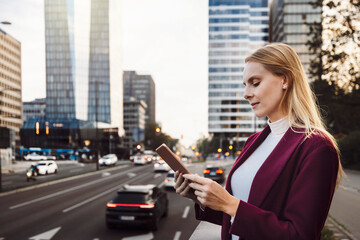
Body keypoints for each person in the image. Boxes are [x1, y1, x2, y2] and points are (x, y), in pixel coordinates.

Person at [174, 43, 344, 240]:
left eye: (255, 83)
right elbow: (241, 215)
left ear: (285, 80)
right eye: (244, 85)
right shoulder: (254, 141)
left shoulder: (316, 147)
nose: (246, 94)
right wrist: (204, 199)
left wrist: (230, 203)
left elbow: (300, 235)